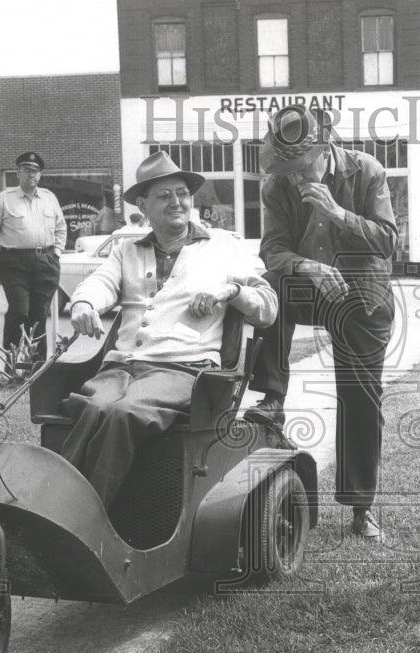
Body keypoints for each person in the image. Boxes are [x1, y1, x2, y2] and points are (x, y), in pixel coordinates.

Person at [60, 151, 277, 510]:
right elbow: (100, 283)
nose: (177, 202)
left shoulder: (223, 246)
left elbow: (268, 307)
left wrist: (232, 291)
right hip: (122, 367)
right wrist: (84, 304)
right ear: (143, 205)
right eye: (164, 196)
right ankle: (58, 507)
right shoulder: (126, 249)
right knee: (93, 406)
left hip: (184, 370)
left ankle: (82, 517)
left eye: (182, 194)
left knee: (124, 413)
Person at [244, 105, 397, 540]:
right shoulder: (277, 186)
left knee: (360, 397)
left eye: (300, 166)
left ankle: (360, 508)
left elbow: (387, 241)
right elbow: (272, 250)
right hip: (309, 284)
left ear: (325, 147)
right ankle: (272, 398)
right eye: (286, 166)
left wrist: (337, 214)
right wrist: (308, 268)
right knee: (270, 284)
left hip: (361, 293)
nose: (294, 175)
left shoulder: (366, 170)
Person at [0, 152, 66, 361]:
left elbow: (61, 228)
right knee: (19, 311)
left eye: (35, 171)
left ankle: (38, 366)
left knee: (39, 315)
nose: (31, 175)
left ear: (40, 175)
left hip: (45, 262)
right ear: (18, 173)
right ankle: (11, 364)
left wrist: (56, 253)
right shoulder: (4, 199)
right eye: (26, 170)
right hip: (14, 263)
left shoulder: (49, 198)